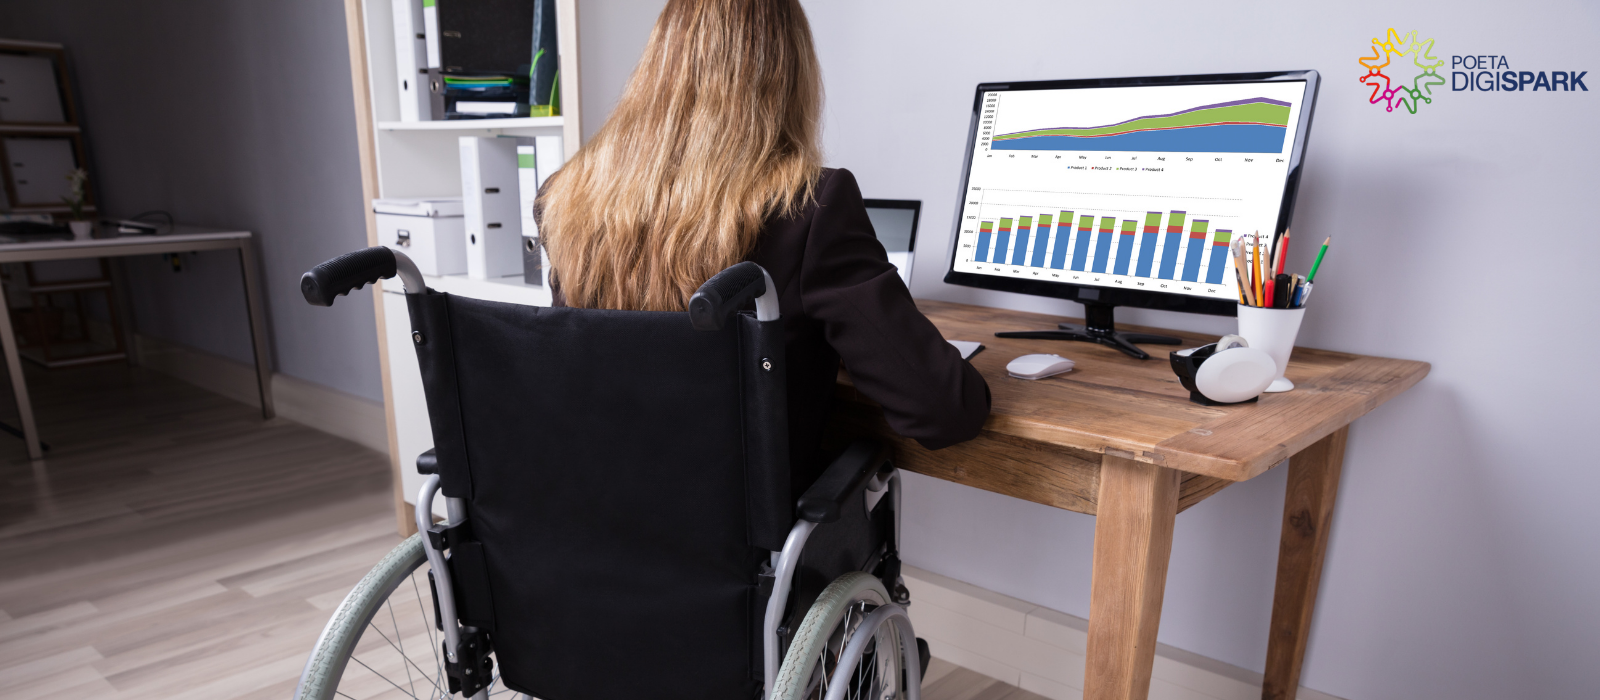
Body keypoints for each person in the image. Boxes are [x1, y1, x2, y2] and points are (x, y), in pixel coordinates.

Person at [536, 0, 988, 490]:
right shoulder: (812, 204)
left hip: (589, 523)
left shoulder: (567, 197)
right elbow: (943, 412)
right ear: (790, 74)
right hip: (742, 546)